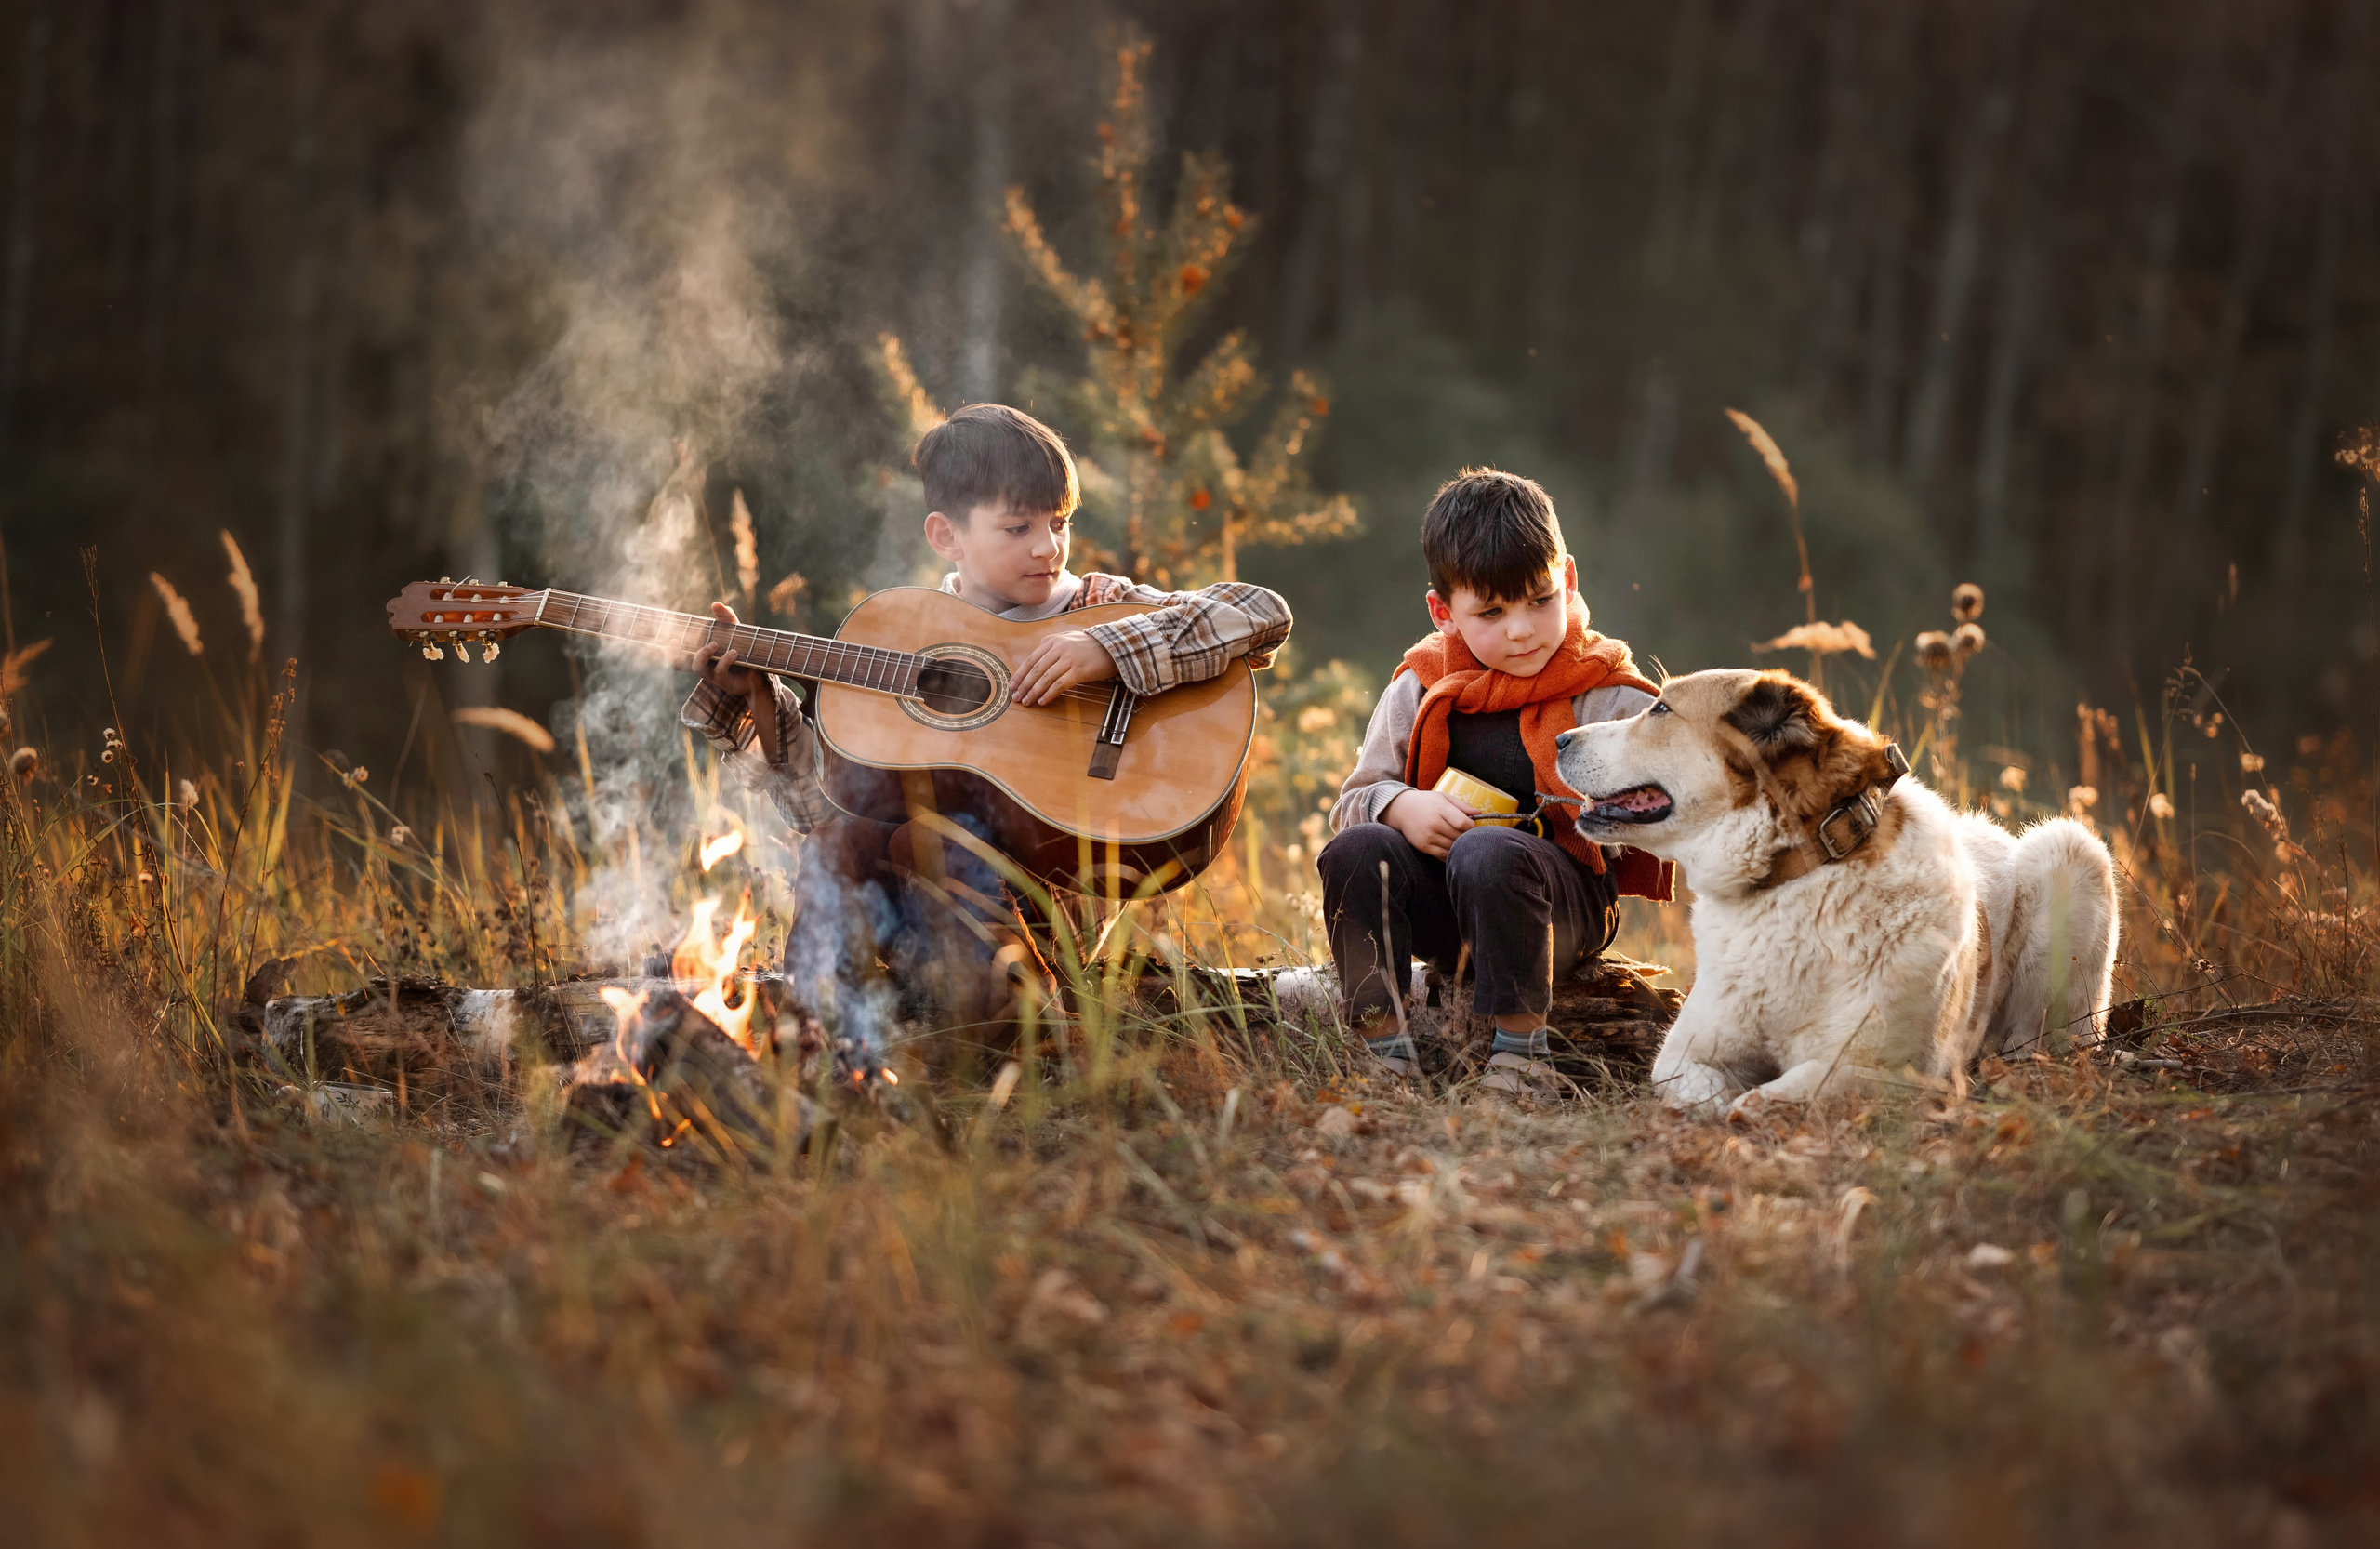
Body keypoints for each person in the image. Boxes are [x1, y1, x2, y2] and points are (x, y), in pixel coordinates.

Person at [681, 403, 1292, 1054]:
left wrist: (1106, 649)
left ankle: (1031, 1036)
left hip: (1052, 904)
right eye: (1017, 527)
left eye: (1059, 522)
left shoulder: (1096, 606)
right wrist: (761, 700)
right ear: (947, 536)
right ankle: (822, 1036)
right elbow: (820, 810)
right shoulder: (911, 636)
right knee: (841, 840)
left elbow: (1260, 613)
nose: (1047, 547)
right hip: (915, 919)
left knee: (927, 839)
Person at [1320, 468, 1672, 1090]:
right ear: (1444, 612)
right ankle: (1383, 1049)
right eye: (1491, 611)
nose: (1521, 628)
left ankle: (1521, 1056)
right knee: (1356, 850)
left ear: (1568, 580)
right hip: (1446, 911)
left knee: (1487, 851)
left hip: (1561, 908)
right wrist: (1401, 807)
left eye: (1540, 600)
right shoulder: (1421, 686)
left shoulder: (1603, 691)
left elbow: (1670, 800)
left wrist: (1608, 806)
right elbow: (1352, 803)